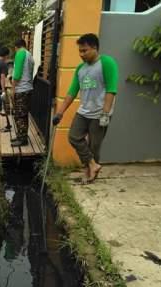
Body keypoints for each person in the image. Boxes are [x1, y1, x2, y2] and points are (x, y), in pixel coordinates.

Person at [53, 33, 118, 184]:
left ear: (95, 48)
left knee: (94, 146)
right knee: (74, 137)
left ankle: (90, 172)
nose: (81, 54)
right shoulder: (80, 69)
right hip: (84, 111)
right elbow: (71, 92)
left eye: (85, 50)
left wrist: (105, 114)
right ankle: (93, 165)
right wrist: (60, 113)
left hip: (100, 113)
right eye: (80, 51)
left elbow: (111, 89)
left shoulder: (107, 63)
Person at [11, 39, 34, 147]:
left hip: (21, 89)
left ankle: (22, 139)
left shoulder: (20, 53)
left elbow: (17, 74)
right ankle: (22, 136)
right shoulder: (29, 55)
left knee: (19, 115)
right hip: (28, 88)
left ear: (17, 47)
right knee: (23, 115)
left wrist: (13, 89)